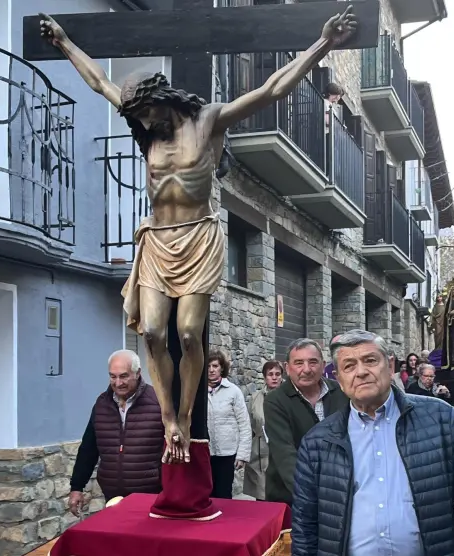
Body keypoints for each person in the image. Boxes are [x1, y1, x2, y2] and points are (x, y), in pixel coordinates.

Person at [39, 7, 358, 465]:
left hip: (198, 238)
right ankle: (169, 415)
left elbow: (271, 89)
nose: (143, 124)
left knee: (189, 334)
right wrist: (64, 42)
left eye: (147, 113)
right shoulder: (146, 132)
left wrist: (323, 43)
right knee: (151, 331)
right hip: (156, 239)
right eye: (137, 117)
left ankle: (186, 416)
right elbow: (98, 83)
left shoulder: (206, 122)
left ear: (162, 100)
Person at [292, 330, 454, 556]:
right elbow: (305, 527)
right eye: (349, 366)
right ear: (339, 380)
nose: (361, 372)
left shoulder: (440, 419)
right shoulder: (317, 442)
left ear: (390, 367)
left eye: (370, 360)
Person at [68, 350, 164, 516]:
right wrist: (77, 487)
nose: (118, 383)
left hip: (151, 496)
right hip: (112, 497)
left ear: (138, 373)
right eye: (113, 376)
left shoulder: (159, 402)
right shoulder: (102, 404)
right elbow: (88, 449)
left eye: (124, 376)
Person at [264, 338, 347, 506]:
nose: (306, 369)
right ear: (287, 368)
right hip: (292, 495)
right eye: (299, 363)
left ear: (323, 365)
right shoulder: (276, 401)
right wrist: (315, 494)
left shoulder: (342, 392)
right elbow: (285, 454)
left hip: (341, 490)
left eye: (313, 362)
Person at [205, 350, 251, 499]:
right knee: (206, 493)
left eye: (215, 366)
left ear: (221, 368)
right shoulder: (197, 391)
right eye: (208, 366)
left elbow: (244, 424)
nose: (211, 370)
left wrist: (242, 454)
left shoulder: (233, 392)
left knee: (223, 494)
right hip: (205, 452)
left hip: (227, 453)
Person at [244, 360, 283, 500]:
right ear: (265, 377)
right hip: (260, 452)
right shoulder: (255, 398)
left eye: (277, 374)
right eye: (270, 374)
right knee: (261, 494)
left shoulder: (289, 397)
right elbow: (249, 425)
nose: (274, 377)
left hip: (282, 450)